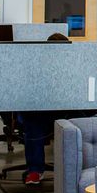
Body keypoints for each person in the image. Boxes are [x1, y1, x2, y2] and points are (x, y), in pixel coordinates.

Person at [20, 32, 70, 184]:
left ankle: (72, 170)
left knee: (82, 122)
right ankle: (35, 170)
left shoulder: (72, 65)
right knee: (33, 124)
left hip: (64, 109)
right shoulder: (36, 66)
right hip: (39, 110)